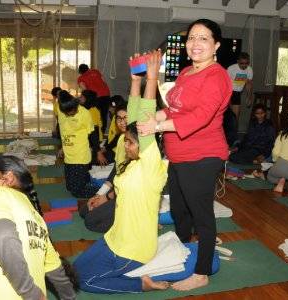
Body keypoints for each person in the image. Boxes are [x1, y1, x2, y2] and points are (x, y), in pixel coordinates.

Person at [137, 19, 232, 291]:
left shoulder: (217, 76)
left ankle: (201, 273)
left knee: (201, 215)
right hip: (178, 155)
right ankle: (180, 253)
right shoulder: (187, 72)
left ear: (216, 45)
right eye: (192, 37)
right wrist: (155, 117)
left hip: (203, 155)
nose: (195, 43)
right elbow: (173, 108)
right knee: (180, 211)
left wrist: (158, 126)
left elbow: (201, 117)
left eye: (204, 38)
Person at [74, 50, 169, 294]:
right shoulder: (131, 162)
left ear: (147, 145)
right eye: (125, 141)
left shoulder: (150, 164)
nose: (126, 145)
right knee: (73, 271)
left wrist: (151, 79)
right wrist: (135, 80)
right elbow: (137, 116)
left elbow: (145, 115)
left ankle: (141, 284)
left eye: (130, 142)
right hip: (114, 238)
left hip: (133, 249)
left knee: (84, 283)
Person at [0, 156, 76, 300]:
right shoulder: (37, 218)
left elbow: (2, 236)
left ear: (8, 179)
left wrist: (31, 293)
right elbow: (57, 272)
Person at [79, 103, 128, 233]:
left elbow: (130, 183)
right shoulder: (122, 138)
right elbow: (115, 171)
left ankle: (133, 222)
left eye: (126, 118)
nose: (122, 122)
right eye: (119, 118)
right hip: (117, 189)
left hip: (129, 194)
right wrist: (98, 195)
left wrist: (107, 198)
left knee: (90, 222)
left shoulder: (136, 143)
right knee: (84, 211)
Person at [57, 90, 99, 198]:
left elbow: (93, 134)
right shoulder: (60, 109)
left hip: (81, 157)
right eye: (68, 113)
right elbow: (64, 130)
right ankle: (86, 179)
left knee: (77, 192)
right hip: (68, 157)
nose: (72, 114)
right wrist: (62, 147)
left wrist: (97, 150)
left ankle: (104, 191)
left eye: (74, 111)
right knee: (70, 187)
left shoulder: (84, 113)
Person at [77, 64, 111, 132]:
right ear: (88, 68)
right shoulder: (96, 71)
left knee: (95, 114)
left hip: (96, 97)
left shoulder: (81, 78)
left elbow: (85, 91)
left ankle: (95, 132)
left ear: (80, 71)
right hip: (106, 94)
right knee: (104, 114)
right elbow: (104, 82)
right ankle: (103, 132)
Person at [79, 89, 107, 165]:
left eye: (81, 97)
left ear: (87, 98)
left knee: (90, 164)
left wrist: (96, 149)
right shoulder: (86, 109)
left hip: (94, 142)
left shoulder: (92, 111)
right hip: (90, 140)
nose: (79, 98)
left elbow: (94, 131)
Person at [227, 52, 253, 120]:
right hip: (228, 92)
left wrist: (249, 97)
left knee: (236, 116)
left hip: (237, 93)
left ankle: (233, 129)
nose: (244, 65)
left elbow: (248, 84)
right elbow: (224, 83)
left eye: (246, 63)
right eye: (242, 63)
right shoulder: (231, 68)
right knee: (230, 116)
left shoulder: (249, 70)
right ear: (238, 61)